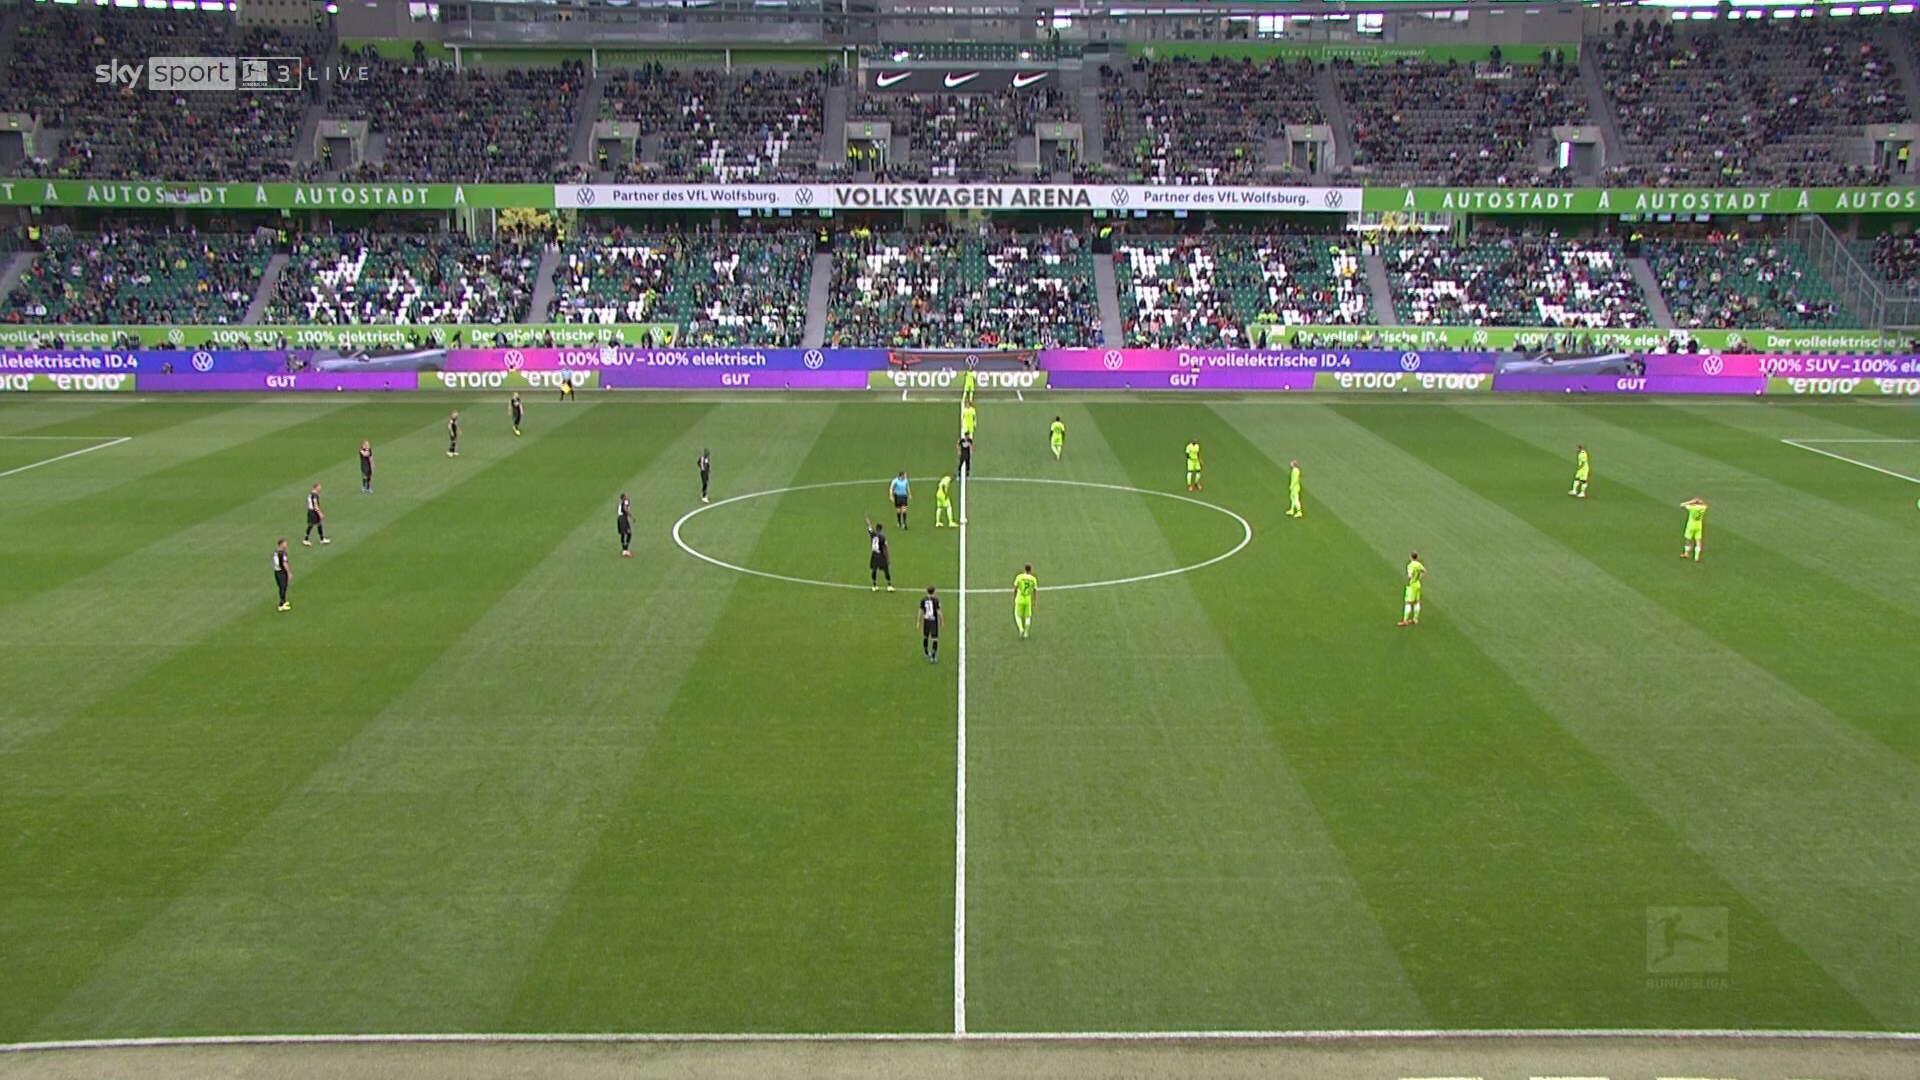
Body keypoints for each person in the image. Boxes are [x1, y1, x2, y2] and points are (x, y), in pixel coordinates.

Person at [866, 513, 894, 591]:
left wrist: (867, 520)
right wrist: (887, 558)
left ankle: (874, 585)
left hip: (874, 554)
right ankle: (889, 585)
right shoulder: (883, 537)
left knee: (874, 570)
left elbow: (869, 527)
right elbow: (885, 548)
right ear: (881, 529)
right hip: (881, 555)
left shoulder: (873, 534)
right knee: (886, 569)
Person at [1398, 551, 1425, 627]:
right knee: (1416, 602)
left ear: (1411, 557)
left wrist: (1409, 579)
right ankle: (1415, 619)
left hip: (1412, 585)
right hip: (1418, 584)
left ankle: (1405, 621)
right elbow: (1424, 571)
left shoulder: (1410, 565)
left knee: (1408, 602)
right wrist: (1420, 577)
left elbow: (1410, 575)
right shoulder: (1419, 564)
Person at [1013, 564, 1037, 639]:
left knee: (1017, 615)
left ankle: (1021, 629)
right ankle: (1026, 633)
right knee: (1028, 617)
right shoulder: (1033, 579)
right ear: (1030, 570)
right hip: (1028, 599)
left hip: (1020, 597)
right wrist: (1034, 600)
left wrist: (1014, 597)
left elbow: (1015, 588)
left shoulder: (1019, 577)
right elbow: (1034, 590)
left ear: (1024, 569)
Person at [920, 585, 943, 663]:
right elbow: (939, 612)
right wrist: (942, 621)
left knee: (925, 637)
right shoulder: (936, 600)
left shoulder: (923, 600)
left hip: (926, 621)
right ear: (933, 592)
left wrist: (918, 621)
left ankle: (926, 652)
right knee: (935, 639)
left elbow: (920, 611)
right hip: (933, 622)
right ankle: (933, 657)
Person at [273, 538, 292, 611]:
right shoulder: (282, 553)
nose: (286, 545)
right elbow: (284, 563)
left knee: (282, 587)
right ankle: (281, 605)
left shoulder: (276, 552)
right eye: (285, 543)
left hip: (277, 571)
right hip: (282, 572)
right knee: (283, 587)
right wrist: (289, 572)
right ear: (281, 544)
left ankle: (284, 600)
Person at [618, 493, 633, 557]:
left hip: (619, 519)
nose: (627, 497)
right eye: (625, 496)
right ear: (623, 497)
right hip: (623, 519)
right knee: (629, 533)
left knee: (623, 534)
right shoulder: (625, 501)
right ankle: (625, 550)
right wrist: (631, 515)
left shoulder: (620, 503)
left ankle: (624, 549)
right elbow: (625, 508)